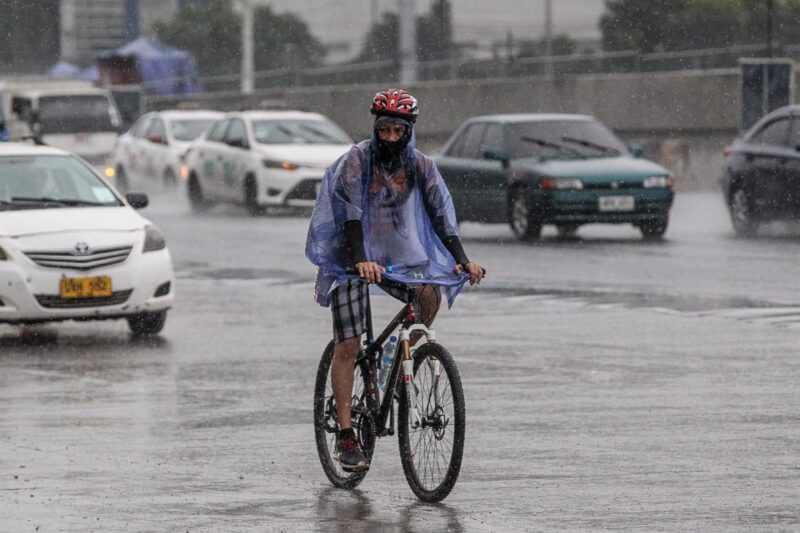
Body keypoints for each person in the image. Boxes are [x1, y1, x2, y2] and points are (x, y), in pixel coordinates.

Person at [306, 89, 484, 472]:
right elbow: (351, 216)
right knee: (349, 344)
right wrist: (359, 260)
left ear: (408, 132)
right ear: (375, 127)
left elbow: (441, 217)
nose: (389, 138)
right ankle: (347, 433)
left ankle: (392, 358)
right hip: (349, 257)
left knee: (429, 294)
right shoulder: (356, 161)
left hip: (393, 258)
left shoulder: (420, 166)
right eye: (383, 129)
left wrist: (463, 261)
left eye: (397, 131)